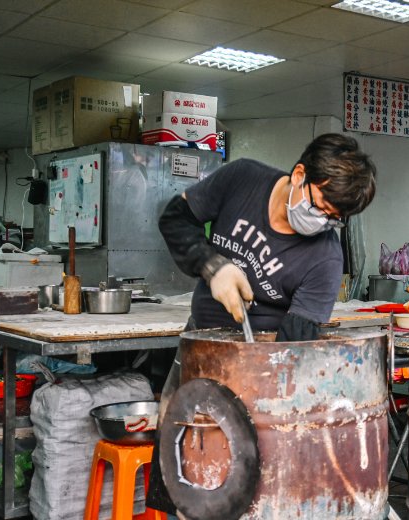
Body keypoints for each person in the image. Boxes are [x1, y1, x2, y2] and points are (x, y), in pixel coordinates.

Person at [146, 133, 376, 514]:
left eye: (335, 219)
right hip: (201, 352)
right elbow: (174, 218)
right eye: (321, 206)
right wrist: (212, 265)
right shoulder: (242, 178)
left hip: (264, 375)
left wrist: (268, 395)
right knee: (182, 469)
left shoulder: (326, 258)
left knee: (254, 489)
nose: (322, 221)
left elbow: (296, 344)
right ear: (300, 174)